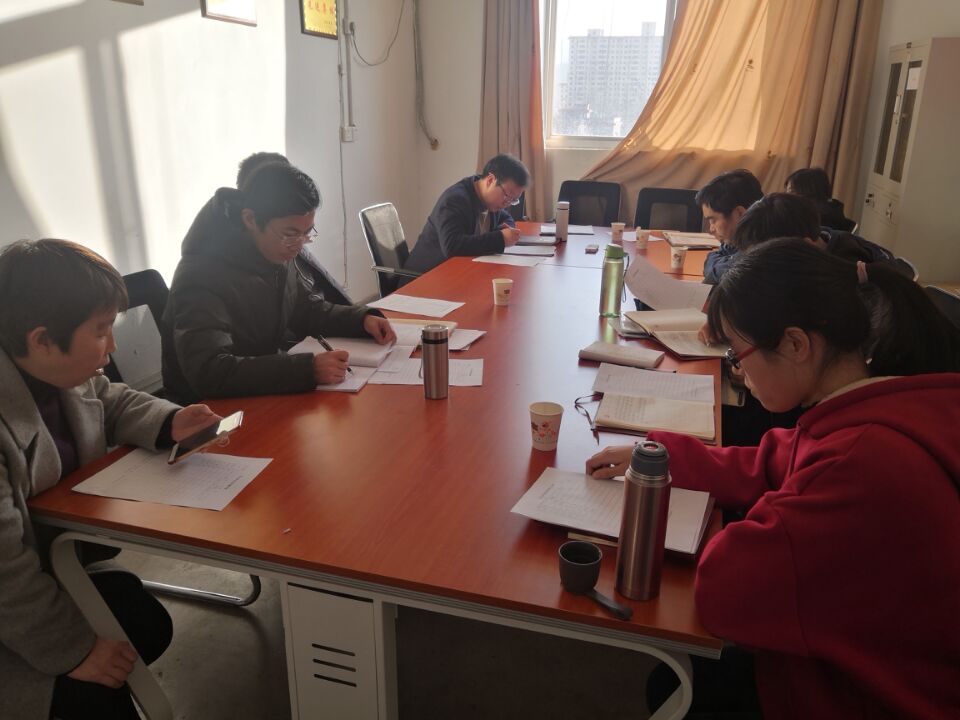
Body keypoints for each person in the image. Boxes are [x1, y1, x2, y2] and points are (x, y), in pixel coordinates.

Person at [587, 239, 960, 719]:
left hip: (861, 697)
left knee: (681, 684)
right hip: (855, 655)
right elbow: (772, 463)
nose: (738, 371)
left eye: (738, 354)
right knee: (677, 679)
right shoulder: (881, 405)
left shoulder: (859, 462)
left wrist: (766, 514)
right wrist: (665, 456)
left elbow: (724, 592)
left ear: (795, 344)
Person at [0, 239, 218, 720]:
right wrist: (73, 650)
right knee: (102, 691)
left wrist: (169, 420)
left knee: (144, 624)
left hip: (43, 570)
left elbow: (108, 398)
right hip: (12, 608)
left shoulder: (51, 368)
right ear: (41, 340)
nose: (113, 346)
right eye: (101, 331)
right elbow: (3, 572)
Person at [162, 161, 395, 403]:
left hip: (261, 389)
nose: (299, 245)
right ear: (250, 219)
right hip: (207, 411)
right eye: (290, 234)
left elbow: (307, 311)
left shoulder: (274, 252)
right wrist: (306, 370)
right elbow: (210, 372)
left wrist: (361, 320)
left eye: (307, 233)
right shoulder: (201, 276)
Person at [403, 153, 529, 276]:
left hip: (456, 273)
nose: (507, 204)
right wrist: (500, 239)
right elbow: (452, 246)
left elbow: (506, 217)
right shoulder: (455, 200)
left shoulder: (490, 202)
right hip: (424, 278)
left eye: (513, 200)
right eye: (507, 196)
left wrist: (506, 229)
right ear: (490, 180)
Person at [734, 192, 906, 274]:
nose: (760, 268)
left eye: (765, 259)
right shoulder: (825, 238)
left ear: (805, 246)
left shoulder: (845, 279)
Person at [697, 169, 764, 284]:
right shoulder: (740, 239)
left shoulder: (761, 249)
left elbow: (717, 274)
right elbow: (717, 255)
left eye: (713, 220)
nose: (711, 229)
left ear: (740, 214)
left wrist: (716, 268)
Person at [785, 166, 856, 232]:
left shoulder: (816, 222)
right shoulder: (833, 214)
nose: (786, 197)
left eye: (792, 192)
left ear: (809, 191)